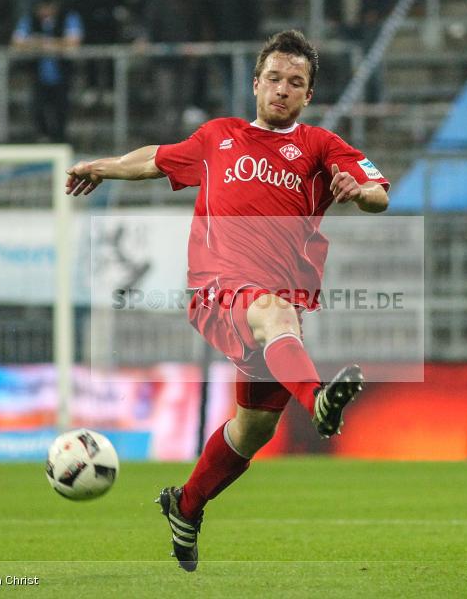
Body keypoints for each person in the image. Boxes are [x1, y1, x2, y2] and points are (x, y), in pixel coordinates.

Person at [65, 30, 389, 571]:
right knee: (273, 311)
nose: (283, 90)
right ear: (256, 83)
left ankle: (186, 506)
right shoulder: (219, 137)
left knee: (252, 428)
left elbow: (378, 190)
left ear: (308, 95)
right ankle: (320, 405)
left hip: (275, 307)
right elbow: (156, 159)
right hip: (220, 289)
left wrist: (362, 195)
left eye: (296, 83)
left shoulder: (319, 146)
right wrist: (104, 165)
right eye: (275, 79)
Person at [12, 0, 82, 142]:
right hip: (38, 76)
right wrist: (51, 43)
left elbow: (74, 42)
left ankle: (60, 140)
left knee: (61, 110)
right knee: (37, 110)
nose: (43, 12)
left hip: (62, 75)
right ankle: (43, 138)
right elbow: (17, 42)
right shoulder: (30, 19)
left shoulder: (68, 16)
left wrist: (44, 42)